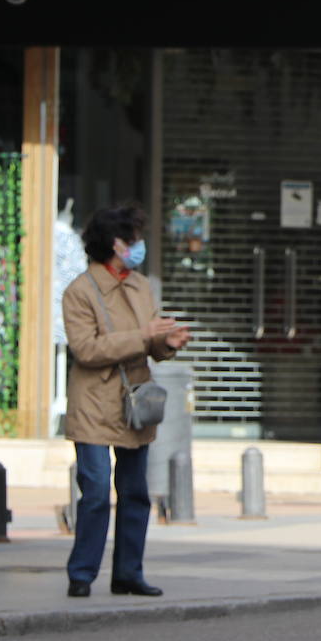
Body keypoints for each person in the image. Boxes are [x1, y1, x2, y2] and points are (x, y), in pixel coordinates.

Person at [62, 204, 189, 599]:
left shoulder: (140, 285)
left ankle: (128, 573)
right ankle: (81, 574)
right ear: (116, 244)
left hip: (135, 403)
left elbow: (151, 344)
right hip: (94, 404)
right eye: (133, 239)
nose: (139, 247)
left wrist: (166, 343)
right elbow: (86, 349)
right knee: (96, 490)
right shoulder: (80, 291)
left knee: (135, 492)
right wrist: (144, 335)